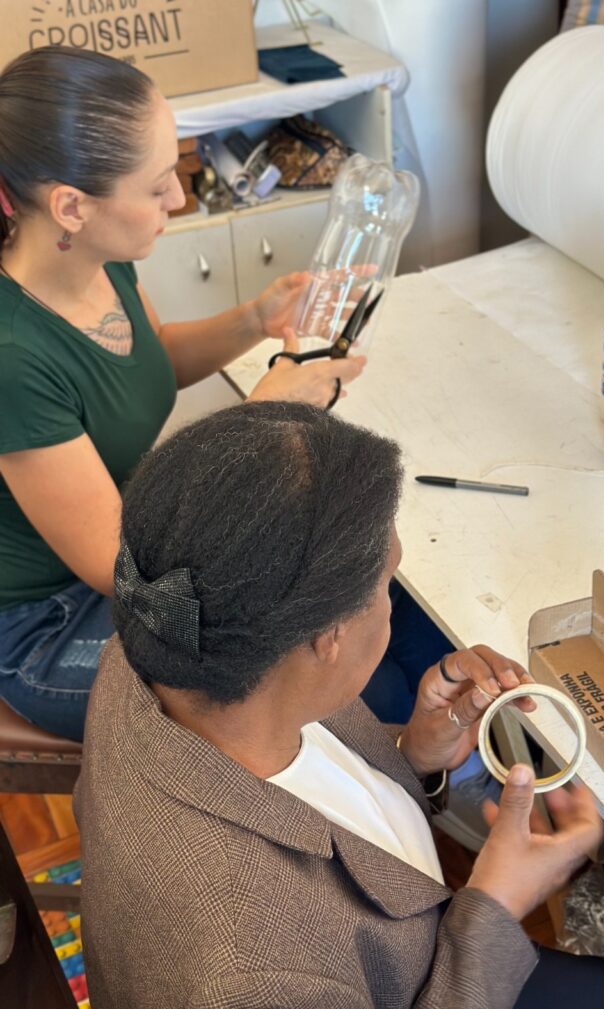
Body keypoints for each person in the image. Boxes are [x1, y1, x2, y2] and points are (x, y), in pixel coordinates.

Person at [74, 402, 604, 1009]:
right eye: (389, 587)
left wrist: (413, 755)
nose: (392, 606)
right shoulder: (252, 986)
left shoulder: (165, 654)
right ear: (326, 637)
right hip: (428, 985)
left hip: (408, 945)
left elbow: (313, 797)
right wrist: (499, 906)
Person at [0, 46, 447, 741]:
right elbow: (123, 571)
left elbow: (153, 359)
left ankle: (412, 754)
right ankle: (387, 787)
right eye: (155, 188)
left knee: (351, 601)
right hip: (51, 625)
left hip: (149, 554)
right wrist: (268, 411)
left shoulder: (99, 261)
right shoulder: (12, 359)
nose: (177, 200)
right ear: (71, 207)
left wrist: (255, 319)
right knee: (300, 668)